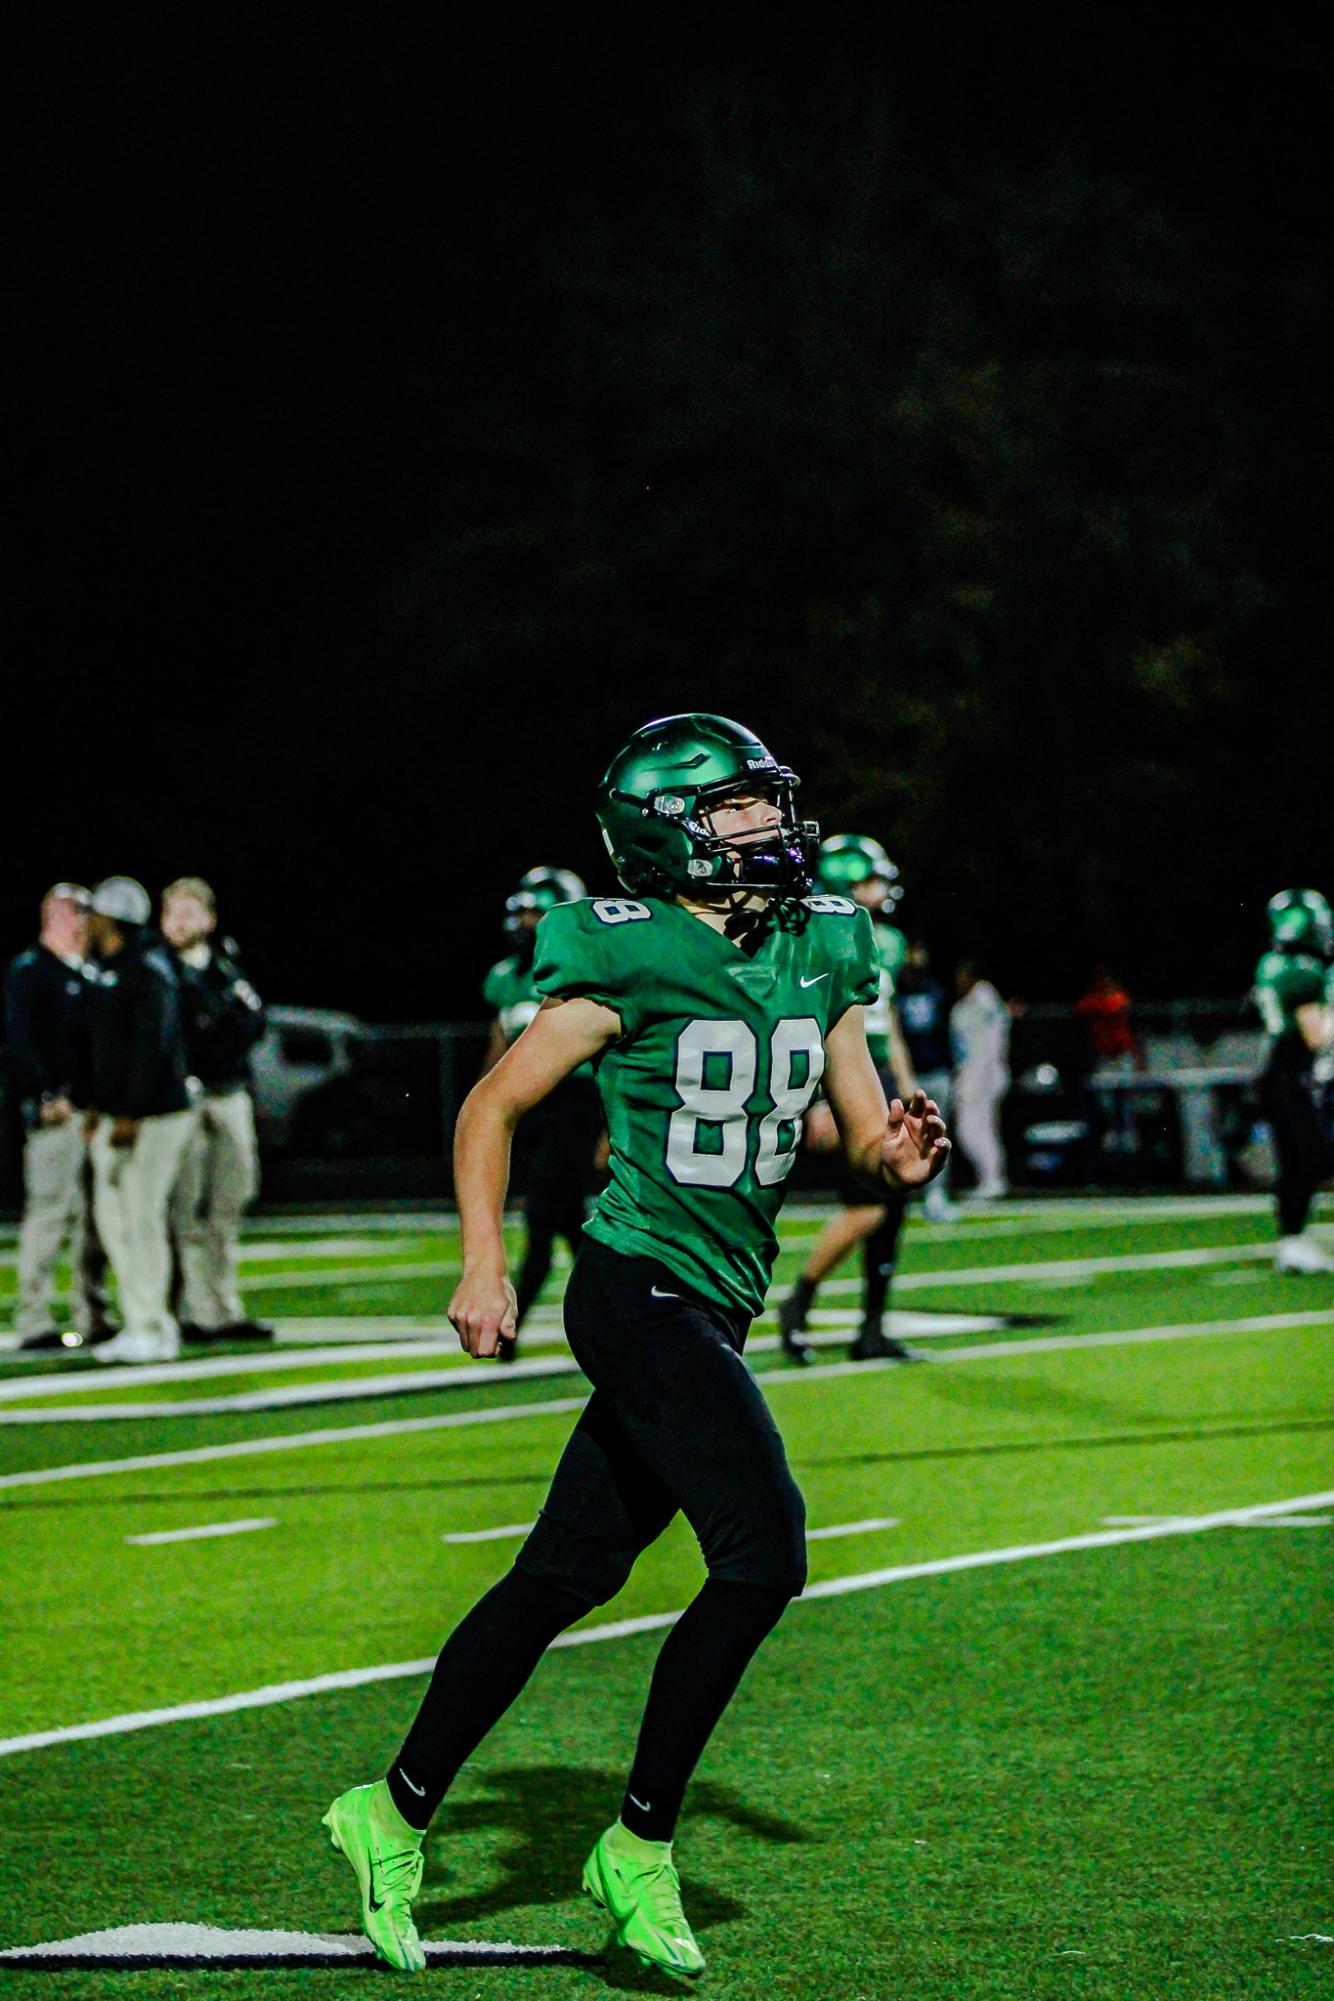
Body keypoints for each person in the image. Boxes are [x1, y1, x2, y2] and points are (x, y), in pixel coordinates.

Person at [321, 714, 948, 1978]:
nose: (767, 826)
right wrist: (485, 1263)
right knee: (762, 1556)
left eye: (766, 804)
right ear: (664, 834)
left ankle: (386, 1811)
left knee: (564, 1576)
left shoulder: (821, 940)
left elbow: (855, 1121)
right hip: (632, 1287)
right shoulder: (631, 951)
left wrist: (894, 1153)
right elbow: (490, 1103)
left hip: (716, 1298)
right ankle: (637, 1845)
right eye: (734, 810)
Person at [775, 834, 924, 1362]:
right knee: (868, 1205)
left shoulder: (888, 940)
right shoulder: (814, 936)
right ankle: (799, 1299)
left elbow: (893, 1019)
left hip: (881, 1070)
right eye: (868, 880)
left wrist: (906, 1082)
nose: (880, 890)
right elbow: (809, 1017)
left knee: (895, 1202)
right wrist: (818, 1097)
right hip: (844, 1073)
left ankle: (872, 1328)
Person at [480, 866, 603, 1353]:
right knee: (571, 1223)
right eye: (524, 912)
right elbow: (497, 1045)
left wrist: (611, 1129)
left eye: (537, 913)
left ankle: (510, 1326)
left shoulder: (586, 970)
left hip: (575, 1104)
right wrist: (488, 1106)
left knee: (540, 1215)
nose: (526, 922)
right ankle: (616, 1314)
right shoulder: (507, 978)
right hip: (530, 1106)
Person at [83, 877, 194, 1364]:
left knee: (141, 1218)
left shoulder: (146, 968)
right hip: (123, 1112)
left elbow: (154, 1048)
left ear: (109, 918)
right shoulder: (118, 967)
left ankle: (154, 1325)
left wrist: (128, 1110)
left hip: (155, 1115)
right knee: (117, 1222)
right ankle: (140, 1320)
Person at [3, 884, 113, 1348]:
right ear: (53, 914)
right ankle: (33, 1317)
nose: (83, 922)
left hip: (91, 1113)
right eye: (75, 913)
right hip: (57, 1113)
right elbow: (17, 1040)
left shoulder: (86, 971)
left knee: (95, 1220)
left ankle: (91, 1314)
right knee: (50, 1214)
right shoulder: (30, 971)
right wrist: (45, 1093)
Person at [162, 878, 270, 1343]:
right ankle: (193, 1310)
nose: (179, 922)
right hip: (184, 1100)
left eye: (188, 912)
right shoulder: (159, 969)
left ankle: (224, 1306)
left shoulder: (225, 968)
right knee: (185, 1207)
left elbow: (251, 1023)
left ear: (208, 919)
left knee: (231, 1199)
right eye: (172, 912)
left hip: (227, 1092)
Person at [1253, 889, 1334, 1274]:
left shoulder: (1273, 962)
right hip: (1290, 1072)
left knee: (1300, 1157)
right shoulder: (1302, 969)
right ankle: (1294, 1240)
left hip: (1278, 1070)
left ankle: (1293, 1239)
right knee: (1308, 1155)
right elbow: (1316, 1034)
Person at [894, 938, 956, 1222]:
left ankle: (936, 1195)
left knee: (938, 1135)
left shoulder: (935, 989)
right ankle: (903, 1197)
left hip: (935, 1070)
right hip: (908, 1072)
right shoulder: (895, 991)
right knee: (904, 1135)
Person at [950, 961, 1010, 1198]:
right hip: (970, 1072)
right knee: (978, 1129)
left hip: (984, 1074)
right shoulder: (964, 1005)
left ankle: (992, 1178)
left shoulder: (984, 998)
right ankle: (989, 1178)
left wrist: (986, 1075)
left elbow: (993, 1041)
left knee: (974, 1129)